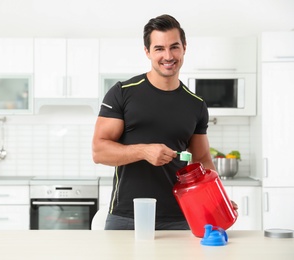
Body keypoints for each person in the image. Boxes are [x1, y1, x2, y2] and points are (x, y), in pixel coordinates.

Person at [92, 14, 237, 230]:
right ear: (147, 52)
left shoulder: (196, 104)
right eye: (159, 48)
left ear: (184, 48)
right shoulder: (122, 93)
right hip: (126, 217)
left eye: (174, 47)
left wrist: (217, 198)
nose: (168, 56)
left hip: (180, 218)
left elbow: (202, 158)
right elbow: (99, 152)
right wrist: (143, 151)